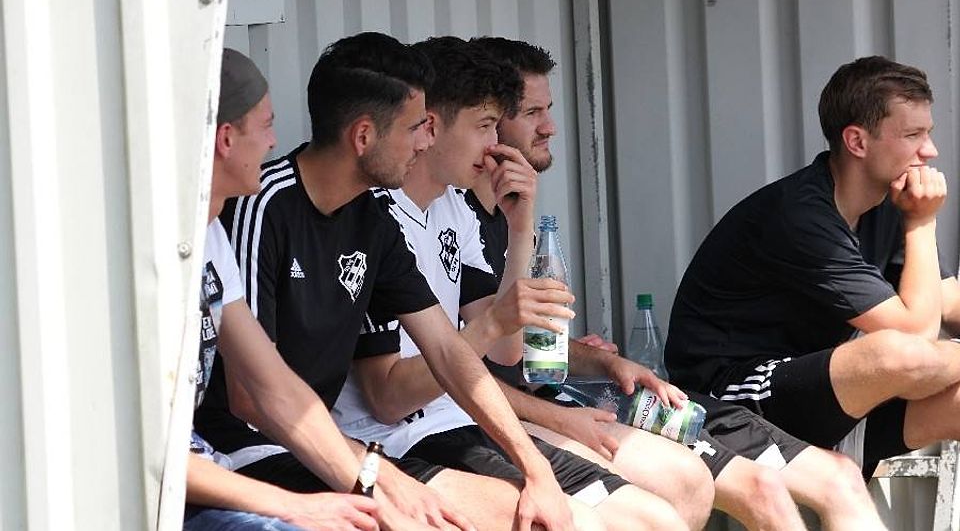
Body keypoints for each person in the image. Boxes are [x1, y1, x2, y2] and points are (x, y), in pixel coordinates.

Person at [471, 36, 887, 530]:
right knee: (741, 488)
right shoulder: (454, 222)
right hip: (525, 414)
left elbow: (522, 342)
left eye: (550, 109)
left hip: (586, 391)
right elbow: (466, 364)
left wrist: (606, 362)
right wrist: (565, 408)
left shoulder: (512, 218)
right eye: (532, 113)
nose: (550, 127)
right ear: (489, 124)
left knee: (837, 475)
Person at [199, 32, 601, 531]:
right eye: (415, 127)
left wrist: (534, 467)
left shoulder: (372, 218)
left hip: (327, 446)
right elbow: (255, 400)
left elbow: (447, 349)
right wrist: (375, 474)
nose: (425, 141)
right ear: (364, 136)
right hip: (254, 451)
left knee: (535, 513)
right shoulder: (264, 208)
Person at [332, 36, 687, 531]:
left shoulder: (452, 209)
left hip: (462, 418)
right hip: (401, 440)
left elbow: (507, 351)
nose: (493, 143)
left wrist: (521, 228)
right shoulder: (375, 220)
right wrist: (499, 324)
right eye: (484, 126)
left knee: (658, 515)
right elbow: (389, 401)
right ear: (431, 127)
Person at [664, 54, 960, 484]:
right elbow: (915, 335)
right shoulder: (800, 215)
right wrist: (922, 223)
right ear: (857, 141)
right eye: (913, 135)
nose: (929, 151)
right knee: (896, 352)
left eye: (927, 133)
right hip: (732, 403)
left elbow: (940, 300)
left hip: (826, 400)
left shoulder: (887, 202)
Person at [184, 48, 388, 531]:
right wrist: (295, 506)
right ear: (226, 139)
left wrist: (373, 499)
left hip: (202, 470)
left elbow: (274, 386)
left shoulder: (210, 234)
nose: (275, 140)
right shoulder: (156, 252)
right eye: (267, 125)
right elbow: (151, 455)